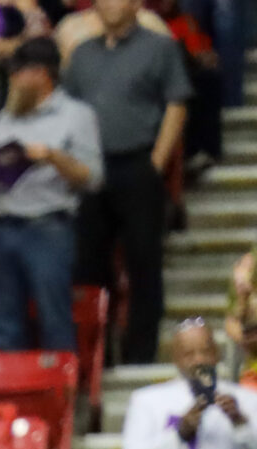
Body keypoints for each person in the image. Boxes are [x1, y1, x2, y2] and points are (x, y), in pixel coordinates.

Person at [65, 0, 189, 367]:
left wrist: (157, 162)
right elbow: (67, 107)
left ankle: (141, 353)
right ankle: (98, 357)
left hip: (138, 163)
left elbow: (177, 103)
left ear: (137, 4)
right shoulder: (82, 54)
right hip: (90, 170)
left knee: (143, 261)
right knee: (89, 266)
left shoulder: (159, 47)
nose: (110, 4)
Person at [0, 38, 100, 354]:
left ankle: (62, 397)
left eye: (17, 73)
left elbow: (93, 178)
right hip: (3, 225)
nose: (12, 80)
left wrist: (52, 156)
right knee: (3, 322)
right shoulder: (5, 118)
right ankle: (14, 398)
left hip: (49, 227)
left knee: (54, 318)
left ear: (40, 74)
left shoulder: (77, 115)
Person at [120, 316, 257, 449]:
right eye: (189, 354)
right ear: (175, 359)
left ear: (217, 354)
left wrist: (240, 423)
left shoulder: (244, 399)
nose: (199, 360)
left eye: (205, 351)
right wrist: (179, 434)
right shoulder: (148, 401)